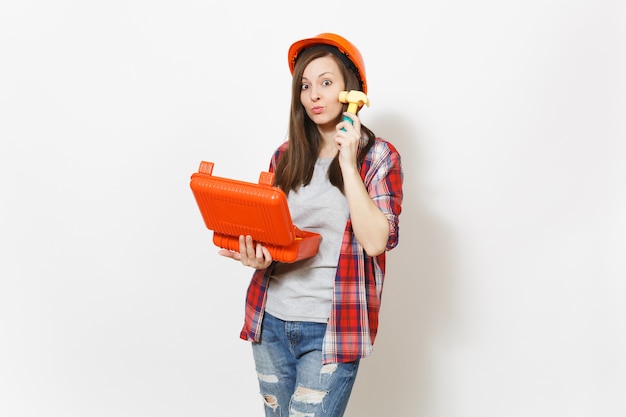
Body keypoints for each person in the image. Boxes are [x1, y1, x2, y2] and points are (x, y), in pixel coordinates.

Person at [219, 33, 403, 417]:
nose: (314, 95)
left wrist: (348, 163)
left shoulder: (379, 156)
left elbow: (375, 242)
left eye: (326, 82)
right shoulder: (284, 157)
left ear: (350, 91)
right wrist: (257, 257)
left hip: (330, 330)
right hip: (270, 321)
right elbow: (278, 239)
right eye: (305, 85)